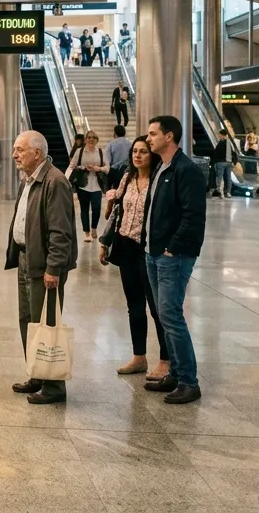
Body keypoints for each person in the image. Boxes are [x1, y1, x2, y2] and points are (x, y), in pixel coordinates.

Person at [5, 130, 78, 404]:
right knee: (28, 320)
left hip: (44, 264)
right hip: (27, 258)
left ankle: (54, 387)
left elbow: (61, 232)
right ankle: (37, 374)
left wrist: (54, 268)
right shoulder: (30, 180)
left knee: (46, 322)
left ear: (37, 153)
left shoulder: (55, 181)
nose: (15, 155)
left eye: (19, 149)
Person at [141, 115, 207, 404]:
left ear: (169, 136)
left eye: (153, 134)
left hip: (172, 256)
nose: (148, 138)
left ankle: (189, 381)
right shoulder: (162, 168)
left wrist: (172, 248)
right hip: (153, 253)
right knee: (163, 314)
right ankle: (175, 374)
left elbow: (193, 216)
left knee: (171, 315)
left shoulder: (185, 169)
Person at [100, 137, 169, 381]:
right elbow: (117, 210)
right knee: (134, 305)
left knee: (156, 306)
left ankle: (165, 359)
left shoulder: (158, 180)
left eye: (143, 152)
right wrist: (105, 241)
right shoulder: (127, 178)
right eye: (135, 152)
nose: (138, 156)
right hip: (126, 245)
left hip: (148, 248)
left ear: (153, 155)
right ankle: (139, 356)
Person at [67, 130, 109, 242]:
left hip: (96, 185)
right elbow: (72, 166)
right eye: (89, 137)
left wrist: (98, 168)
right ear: (85, 139)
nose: (91, 139)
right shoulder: (79, 152)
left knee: (96, 208)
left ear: (96, 140)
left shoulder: (101, 152)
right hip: (83, 185)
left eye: (93, 137)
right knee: (84, 209)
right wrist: (83, 168)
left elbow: (107, 168)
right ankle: (87, 233)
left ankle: (94, 227)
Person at [212, 128, 242, 198]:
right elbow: (232, 152)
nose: (218, 135)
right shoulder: (228, 142)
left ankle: (219, 192)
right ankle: (228, 192)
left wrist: (215, 161)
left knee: (219, 177)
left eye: (219, 134)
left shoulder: (224, 142)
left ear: (222, 135)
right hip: (228, 163)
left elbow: (217, 153)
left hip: (222, 162)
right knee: (228, 178)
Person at [105, 125, 131, 190]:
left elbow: (107, 160)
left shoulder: (111, 144)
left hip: (114, 171)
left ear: (115, 133)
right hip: (127, 170)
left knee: (114, 191)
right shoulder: (130, 143)